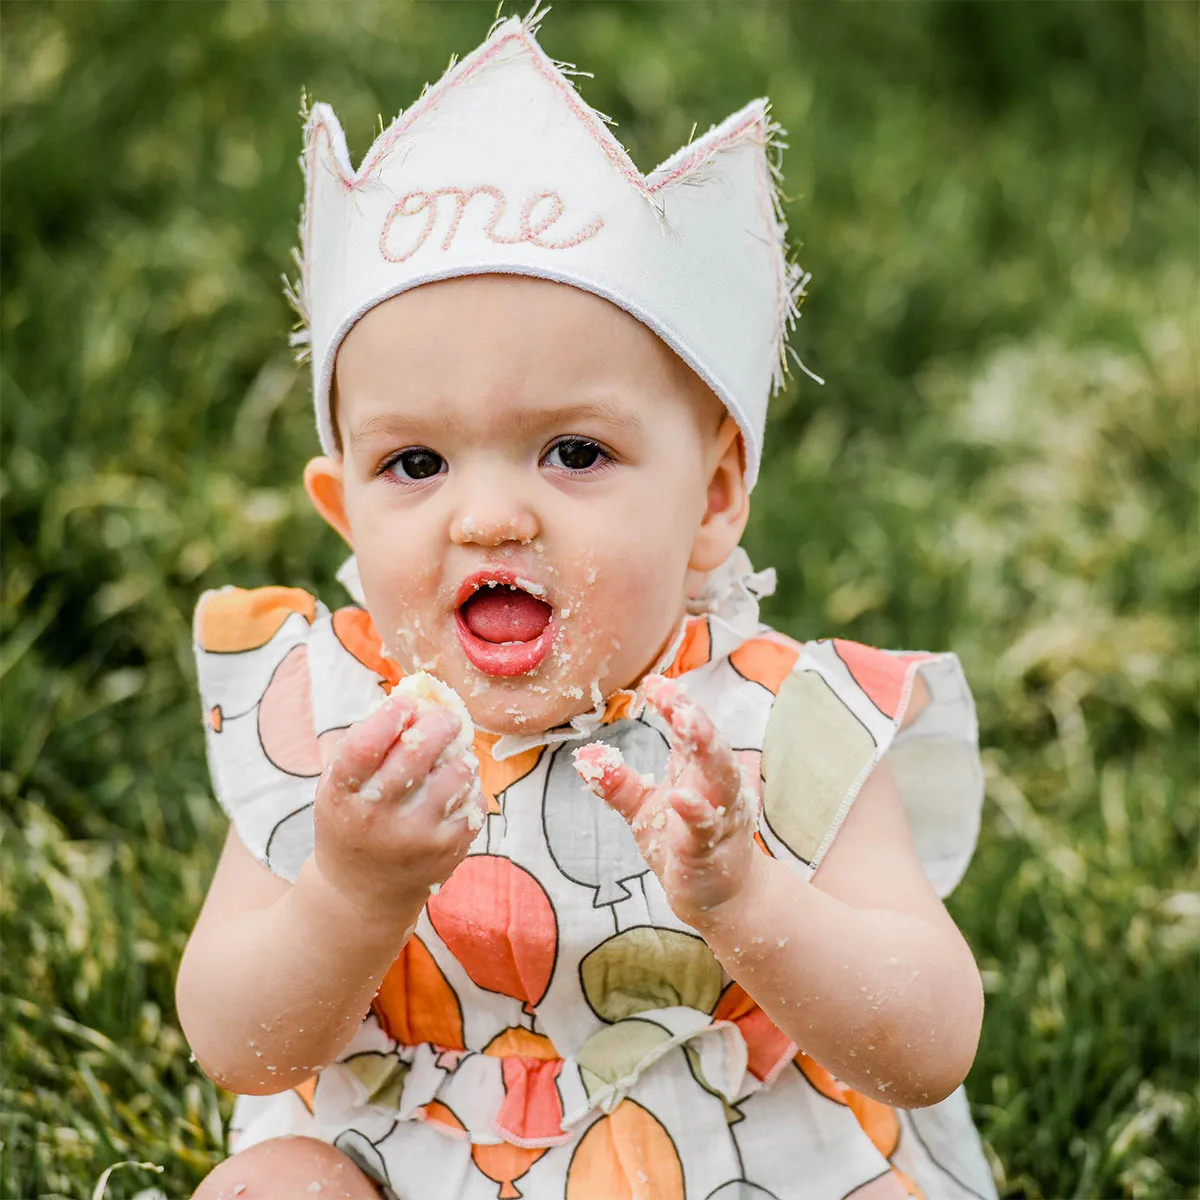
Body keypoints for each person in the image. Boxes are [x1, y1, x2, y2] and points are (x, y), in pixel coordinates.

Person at [177, 9, 997, 1199]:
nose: (490, 518)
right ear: (343, 509)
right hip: (417, 1153)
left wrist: (744, 896)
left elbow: (927, 1046)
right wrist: (348, 892)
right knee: (270, 1188)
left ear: (713, 497)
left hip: (728, 1155)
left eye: (571, 452)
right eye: (416, 465)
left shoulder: (784, 730)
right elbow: (238, 1040)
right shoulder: (335, 729)